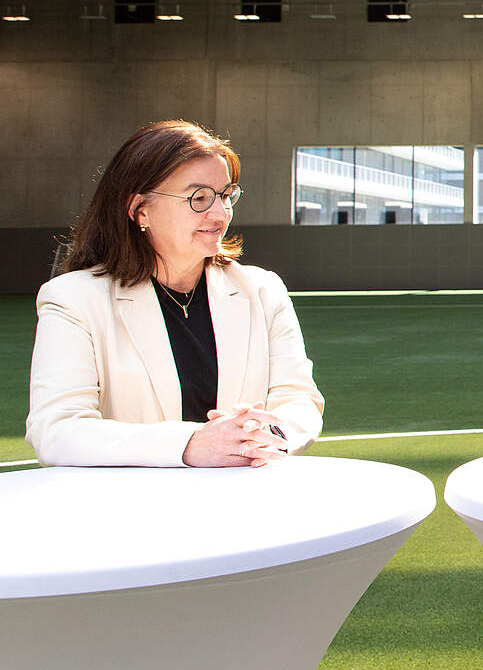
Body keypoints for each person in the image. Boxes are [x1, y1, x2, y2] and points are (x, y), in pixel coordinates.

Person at [27, 120, 323, 467]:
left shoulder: (262, 290)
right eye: (199, 198)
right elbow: (57, 430)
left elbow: (298, 399)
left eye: (226, 195)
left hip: (243, 503)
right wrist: (189, 444)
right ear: (140, 210)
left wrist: (263, 437)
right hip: (128, 510)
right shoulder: (73, 299)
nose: (220, 213)